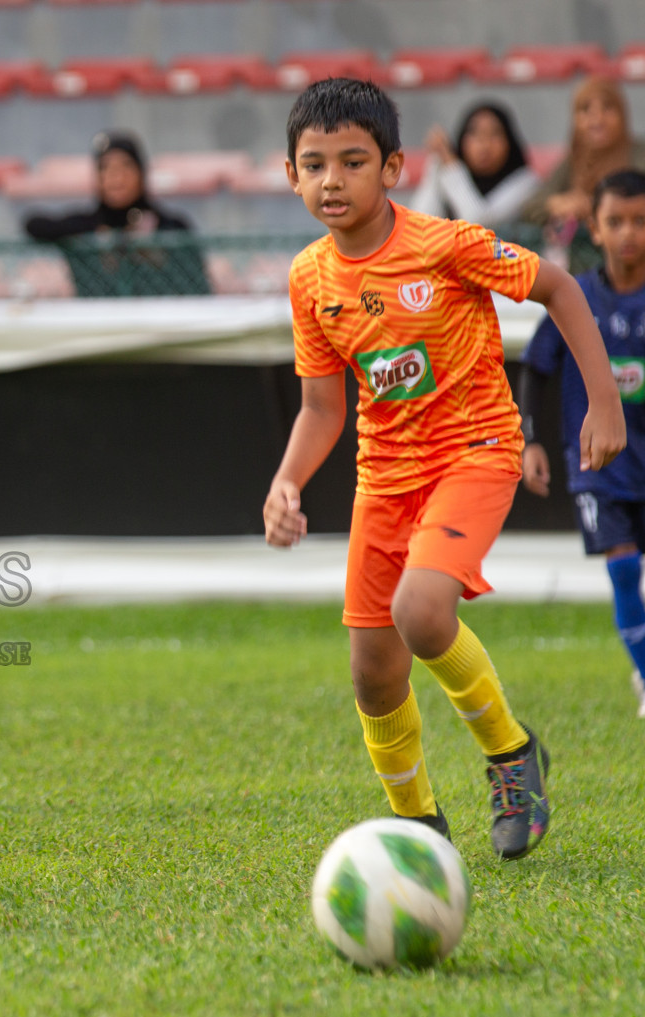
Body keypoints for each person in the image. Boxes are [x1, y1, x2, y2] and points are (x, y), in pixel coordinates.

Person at [263, 78, 625, 861]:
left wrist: (603, 401)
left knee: (422, 612)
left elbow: (558, 288)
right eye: (315, 164)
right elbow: (323, 408)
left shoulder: (445, 244)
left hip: (473, 454)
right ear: (289, 174)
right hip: (382, 479)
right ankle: (418, 827)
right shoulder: (309, 279)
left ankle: (511, 755)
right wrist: (286, 481)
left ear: (392, 167)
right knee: (372, 675)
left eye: (353, 162)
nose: (333, 180)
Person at [521, 170, 645, 715]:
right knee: (623, 568)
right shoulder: (577, 298)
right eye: (615, 221)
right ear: (593, 228)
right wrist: (530, 440)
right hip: (598, 464)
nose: (628, 234)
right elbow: (536, 366)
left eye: (640, 221)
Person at [23, 131, 208, 297]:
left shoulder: (170, 225)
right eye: (105, 168)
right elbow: (33, 224)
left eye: (125, 167)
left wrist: (153, 252)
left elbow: (197, 285)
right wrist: (96, 236)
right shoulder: (87, 223)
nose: (116, 177)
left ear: (140, 172)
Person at [522, 77, 645, 229]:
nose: (597, 119)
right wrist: (559, 204)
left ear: (622, 113)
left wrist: (598, 206)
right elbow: (531, 206)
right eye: (586, 109)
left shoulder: (639, 155)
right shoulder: (574, 160)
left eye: (607, 107)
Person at [409, 101, 539, 227]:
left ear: (509, 142)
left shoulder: (526, 183)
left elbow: (479, 224)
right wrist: (436, 164)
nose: (484, 144)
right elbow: (420, 223)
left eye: (494, 134)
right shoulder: (449, 170)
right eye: (475, 134)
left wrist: (451, 167)